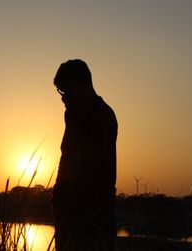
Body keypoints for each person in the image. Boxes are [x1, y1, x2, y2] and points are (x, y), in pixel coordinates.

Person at [52, 59, 118, 250]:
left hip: (77, 210)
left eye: (64, 91)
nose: (63, 98)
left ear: (75, 83)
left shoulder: (78, 111)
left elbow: (71, 158)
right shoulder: (108, 112)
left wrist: (58, 199)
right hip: (105, 210)